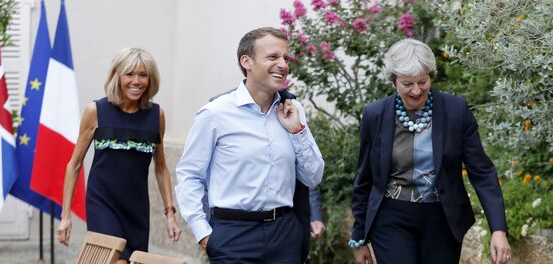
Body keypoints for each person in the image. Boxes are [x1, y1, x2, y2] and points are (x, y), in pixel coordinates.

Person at [349, 38, 511, 264]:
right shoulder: (374, 115)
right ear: (394, 81)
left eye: (422, 82)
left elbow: (481, 172)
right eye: (407, 84)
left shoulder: (456, 111)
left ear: (430, 77)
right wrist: (358, 236)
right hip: (390, 218)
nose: (416, 91)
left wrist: (498, 229)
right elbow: (364, 178)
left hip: (443, 218)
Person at [175, 27, 324, 263]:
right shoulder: (215, 113)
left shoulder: (294, 111)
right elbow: (189, 176)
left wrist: (297, 131)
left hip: (284, 235)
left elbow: (313, 177)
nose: (283, 64)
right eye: (273, 57)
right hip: (233, 235)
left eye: (285, 58)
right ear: (247, 62)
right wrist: (203, 233)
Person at [56, 48, 181, 263]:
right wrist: (65, 216)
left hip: (137, 208)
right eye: (129, 74)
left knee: (134, 260)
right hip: (102, 203)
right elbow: (74, 165)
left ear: (150, 79)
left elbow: (161, 167)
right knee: (117, 260)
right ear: (117, 77)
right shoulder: (96, 111)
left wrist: (170, 214)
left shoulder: (156, 115)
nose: (136, 81)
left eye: (143, 75)